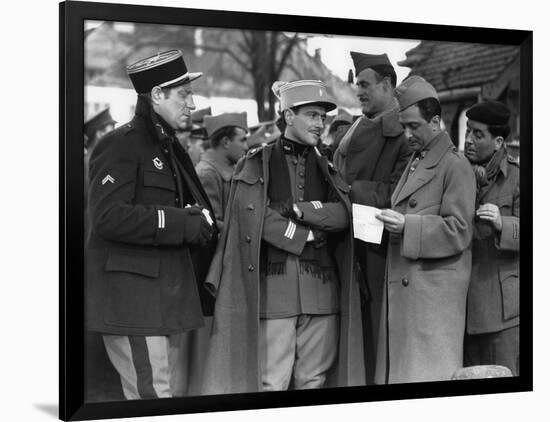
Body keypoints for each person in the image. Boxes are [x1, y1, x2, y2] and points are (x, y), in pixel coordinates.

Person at [201, 80, 365, 394]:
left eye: (322, 117)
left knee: (314, 383)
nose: (320, 123)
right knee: (271, 383)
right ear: (289, 115)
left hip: (322, 295)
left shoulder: (327, 166)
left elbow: (345, 214)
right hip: (274, 296)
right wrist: (304, 236)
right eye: (312, 115)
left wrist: (300, 210)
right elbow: (252, 216)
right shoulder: (254, 164)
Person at [85, 49, 218, 399]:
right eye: (184, 94)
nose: (191, 103)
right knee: (152, 398)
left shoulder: (165, 145)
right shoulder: (121, 145)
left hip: (157, 298)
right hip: (132, 301)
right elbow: (107, 217)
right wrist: (180, 223)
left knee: (158, 393)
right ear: (157, 95)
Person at [375, 75, 476, 383]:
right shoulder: (418, 160)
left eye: (414, 127)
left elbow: (459, 229)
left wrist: (407, 224)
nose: (408, 135)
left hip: (432, 307)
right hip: (412, 299)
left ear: (435, 122)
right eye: (405, 127)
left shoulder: (455, 165)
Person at [332, 52, 411, 383]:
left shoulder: (405, 133)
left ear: (388, 84)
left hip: (380, 251)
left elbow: (400, 195)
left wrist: (345, 191)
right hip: (348, 244)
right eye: (356, 85)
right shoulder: (355, 129)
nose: (358, 91)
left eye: (365, 85)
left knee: (376, 336)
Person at [462, 101, 520, 375]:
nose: (468, 140)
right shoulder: (457, 172)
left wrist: (502, 223)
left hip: (501, 313)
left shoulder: (518, 179)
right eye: (467, 131)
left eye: (477, 134)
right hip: (460, 309)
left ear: (498, 142)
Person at [195, 112, 249, 231]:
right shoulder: (207, 174)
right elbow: (211, 224)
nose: (246, 147)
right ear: (226, 142)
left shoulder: (231, 170)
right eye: (242, 140)